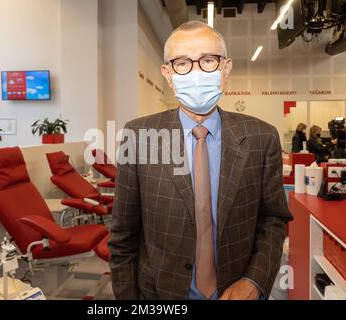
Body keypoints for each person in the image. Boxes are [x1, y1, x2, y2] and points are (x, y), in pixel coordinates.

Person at [109, 21, 293, 300]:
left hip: (237, 289)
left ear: (226, 69)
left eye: (207, 60)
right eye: (182, 63)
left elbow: (272, 220)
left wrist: (254, 281)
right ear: (168, 74)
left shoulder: (261, 137)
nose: (195, 72)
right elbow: (123, 237)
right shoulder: (138, 136)